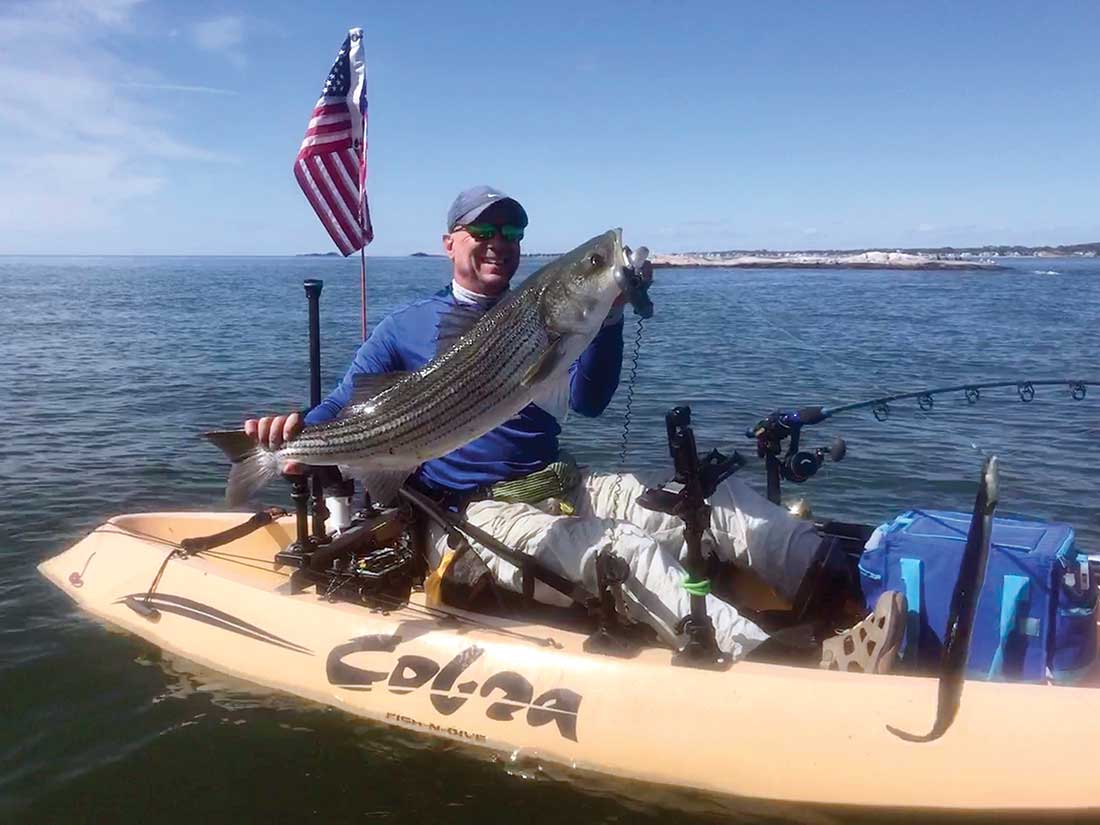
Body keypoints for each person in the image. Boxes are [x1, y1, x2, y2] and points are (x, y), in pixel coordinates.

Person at [247, 185, 904, 670]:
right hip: (475, 515)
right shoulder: (403, 328)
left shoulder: (543, 318)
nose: (500, 243)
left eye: (513, 232)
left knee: (712, 502)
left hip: (561, 481)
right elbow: (340, 405)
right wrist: (289, 438)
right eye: (484, 231)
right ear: (450, 241)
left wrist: (609, 313)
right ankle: (780, 664)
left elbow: (587, 400)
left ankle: (844, 603)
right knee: (626, 551)